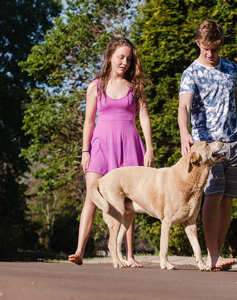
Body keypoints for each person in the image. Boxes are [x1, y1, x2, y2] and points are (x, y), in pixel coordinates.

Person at [178, 20, 237, 270]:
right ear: (198, 44)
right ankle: (212, 255)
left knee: (228, 199)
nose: (210, 54)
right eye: (205, 49)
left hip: (233, 142)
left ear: (220, 43)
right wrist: (183, 132)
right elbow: (184, 107)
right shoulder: (191, 72)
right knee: (213, 194)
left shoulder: (232, 69)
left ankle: (216, 254)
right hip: (206, 147)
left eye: (214, 48)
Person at [69, 38, 154, 267]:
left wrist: (149, 148)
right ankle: (79, 251)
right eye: (121, 57)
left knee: (128, 202)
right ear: (110, 57)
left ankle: (129, 255)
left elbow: (144, 117)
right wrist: (85, 150)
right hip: (100, 147)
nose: (125, 62)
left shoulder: (136, 87)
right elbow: (88, 122)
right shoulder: (95, 86)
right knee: (91, 197)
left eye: (129, 58)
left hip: (129, 146)